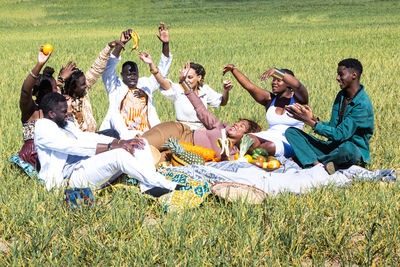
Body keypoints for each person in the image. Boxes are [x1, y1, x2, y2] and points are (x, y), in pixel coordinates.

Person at [34, 92, 179, 194]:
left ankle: (148, 187)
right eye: (64, 111)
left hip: (88, 166)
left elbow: (88, 137)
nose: (67, 114)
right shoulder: (43, 128)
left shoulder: (65, 124)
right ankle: (164, 184)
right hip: (71, 178)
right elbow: (74, 147)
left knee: (139, 143)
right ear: (51, 114)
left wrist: (120, 141)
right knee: (119, 155)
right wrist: (112, 147)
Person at [141, 61, 262, 161]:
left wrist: (225, 155)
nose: (236, 124)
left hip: (187, 154)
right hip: (182, 132)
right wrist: (183, 84)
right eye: (238, 122)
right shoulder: (220, 128)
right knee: (142, 145)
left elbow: (227, 165)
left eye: (242, 126)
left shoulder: (234, 155)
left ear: (246, 136)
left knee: (155, 160)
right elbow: (201, 109)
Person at [285, 58, 373, 173]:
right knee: (291, 132)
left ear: (354, 75)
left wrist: (308, 121)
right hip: (332, 147)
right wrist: (313, 119)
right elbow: (333, 127)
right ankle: (322, 164)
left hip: (350, 151)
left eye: (341, 74)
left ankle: (313, 162)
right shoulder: (341, 95)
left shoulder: (362, 104)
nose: (337, 78)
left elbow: (339, 135)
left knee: (349, 149)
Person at [100, 23, 173, 139]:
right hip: (122, 137)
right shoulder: (115, 87)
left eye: (135, 74)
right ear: (122, 75)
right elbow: (108, 69)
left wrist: (165, 44)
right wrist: (120, 45)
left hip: (146, 135)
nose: (132, 77)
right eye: (128, 74)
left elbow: (161, 73)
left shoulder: (145, 85)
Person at [222, 64, 308, 158]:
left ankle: (247, 156)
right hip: (268, 136)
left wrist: (276, 71)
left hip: (289, 143)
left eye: (278, 80)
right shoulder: (270, 99)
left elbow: (298, 86)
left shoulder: (299, 100)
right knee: (247, 139)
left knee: (269, 146)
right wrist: (233, 69)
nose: (274, 82)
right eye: (273, 79)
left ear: (288, 84)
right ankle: (231, 153)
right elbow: (249, 86)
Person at [57, 39, 124, 137]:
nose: (86, 85)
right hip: (77, 141)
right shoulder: (61, 100)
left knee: (113, 133)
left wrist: (109, 47)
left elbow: (96, 68)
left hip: (92, 136)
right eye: (82, 84)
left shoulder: (83, 92)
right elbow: (53, 92)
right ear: (73, 87)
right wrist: (60, 79)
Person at [157, 59, 232, 130]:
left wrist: (226, 90)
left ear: (199, 77)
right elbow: (163, 83)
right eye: (185, 77)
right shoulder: (178, 89)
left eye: (190, 77)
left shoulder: (205, 90)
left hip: (200, 130)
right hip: (181, 129)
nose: (187, 81)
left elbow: (222, 102)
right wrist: (153, 69)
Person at [18, 46, 58, 168]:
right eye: (55, 90)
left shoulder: (56, 112)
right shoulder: (31, 112)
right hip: (31, 160)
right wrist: (39, 65)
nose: (58, 93)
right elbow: (25, 91)